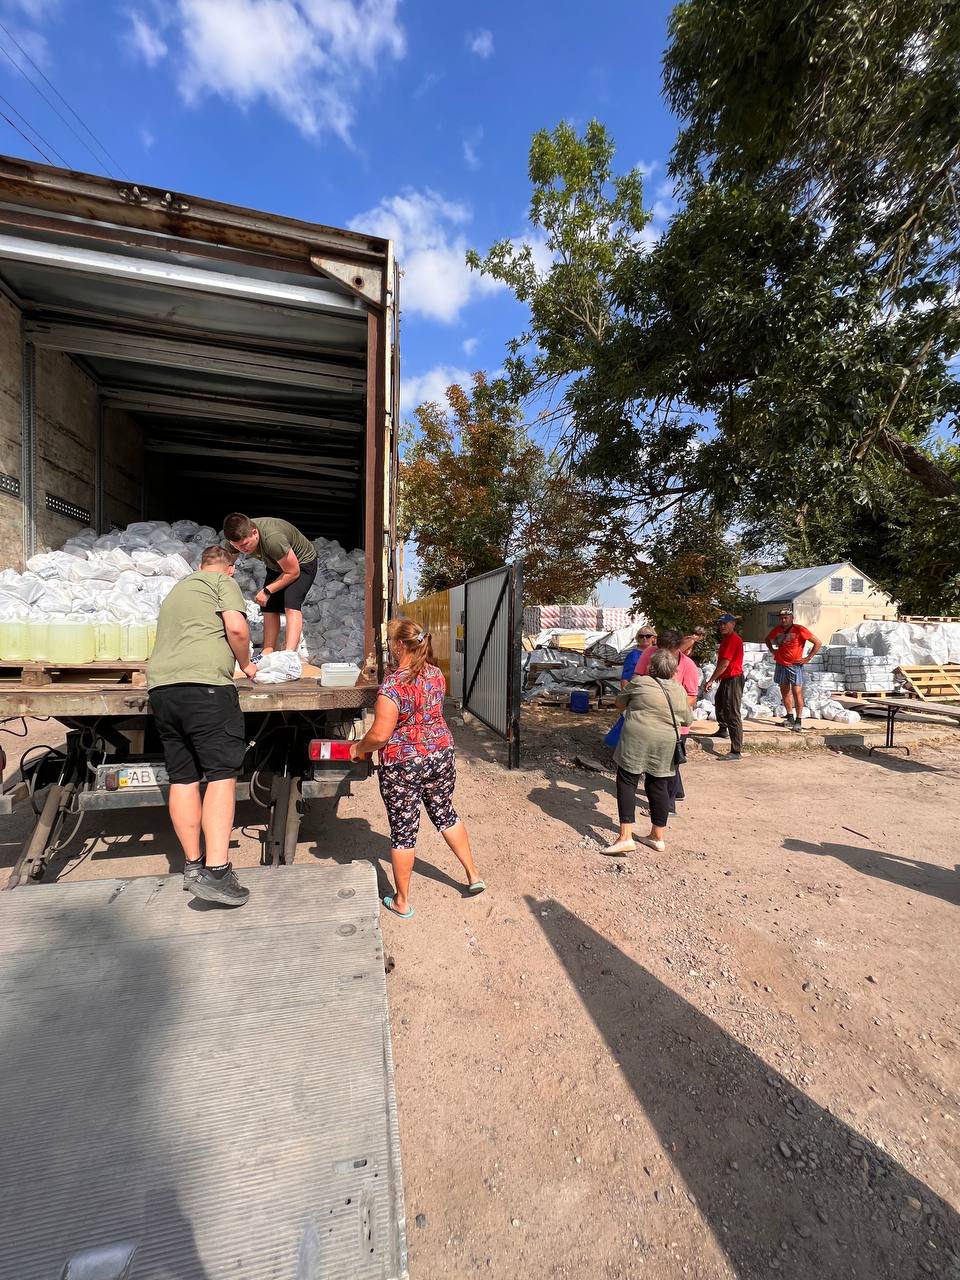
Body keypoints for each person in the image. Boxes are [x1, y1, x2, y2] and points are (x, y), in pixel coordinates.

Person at [348, 617, 484, 918]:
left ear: (399, 646)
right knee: (446, 812)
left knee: (403, 832)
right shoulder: (436, 674)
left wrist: (359, 749)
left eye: (389, 644)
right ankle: (473, 875)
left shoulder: (393, 687)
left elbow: (381, 735)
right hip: (441, 755)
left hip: (404, 765)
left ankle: (402, 901)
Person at [147, 545, 258, 907]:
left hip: (162, 690)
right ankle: (218, 871)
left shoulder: (179, 589)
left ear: (199, 565)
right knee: (221, 775)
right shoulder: (220, 582)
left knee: (183, 778)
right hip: (205, 689)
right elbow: (237, 629)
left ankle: (192, 866)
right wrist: (247, 665)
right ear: (229, 568)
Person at [604, 648, 693, 855]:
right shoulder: (679, 690)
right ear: (673, 670)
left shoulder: (640, 683)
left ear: (651, 667)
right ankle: (657, 836)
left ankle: (626, 836)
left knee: (627, 781)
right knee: (659, 784)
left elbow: (619, 702)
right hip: (664, 743)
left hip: (636, 739)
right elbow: (687, 720)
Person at [223, 513, 318, 656]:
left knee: (291, 603)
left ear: (254, 532)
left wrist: (267, 590)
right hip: (275, 564)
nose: (242, 550)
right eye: (237, 546)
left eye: (245, 545)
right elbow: (231, 554)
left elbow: (293, 572)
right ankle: (267, 651)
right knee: (268, 606)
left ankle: (289, 654)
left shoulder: (273, 539)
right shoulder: (236, 540)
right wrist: (228, 567)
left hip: (301, 563)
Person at [633, 628, 699, 812]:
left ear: (678, 648)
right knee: (660, 765)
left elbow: (692, 697)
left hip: (674, 724)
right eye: (659, 649)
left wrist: (669, 703)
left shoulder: (689, 666)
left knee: (668, 767)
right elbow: (637, 676)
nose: (662, 655)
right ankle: (676, 792)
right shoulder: (649, 653)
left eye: (668, 651)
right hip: (650, 721)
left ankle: (668, 807)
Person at [765, 608, 822, 731]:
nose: (783, 620)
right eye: (781, 618)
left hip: (794, 665)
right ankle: (790, 716)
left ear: (792, 618)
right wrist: (772, 650)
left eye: (786, 617)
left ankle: (799, 720)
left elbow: (817, 643)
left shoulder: (799, 629)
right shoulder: (777, 630)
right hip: (781, 664)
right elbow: (767, 639)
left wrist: (807, 658)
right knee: (784, 690)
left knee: (797, 692)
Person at [705, 613, 745, 758]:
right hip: (727, 678)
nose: (722, 626)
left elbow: (724, 663)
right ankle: (723, 729)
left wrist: (711, 679)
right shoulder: (726, 639)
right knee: (720, 702)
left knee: (732, 712)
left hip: (733, 678)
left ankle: (736, 750)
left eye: (725, 623)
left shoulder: (733, 639)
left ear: (733, 624)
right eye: (720, 624)